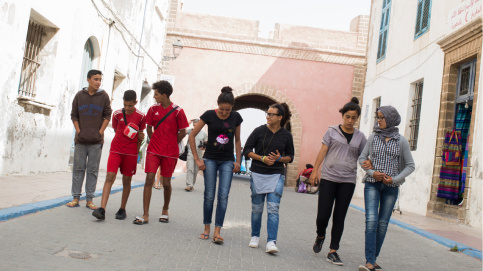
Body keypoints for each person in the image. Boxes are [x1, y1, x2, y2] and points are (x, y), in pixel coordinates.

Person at [308, 97, 367, 265]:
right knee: (322, 216)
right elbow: (323, 151)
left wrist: (369, 166)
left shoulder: (361, 137)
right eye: (347, 116)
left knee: (339, 217)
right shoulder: (332, 131)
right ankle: (320, 235)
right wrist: (314, 171)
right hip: (329, 178)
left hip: (348, 181)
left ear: (357, 118)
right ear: (342, 115)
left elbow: (363, 158)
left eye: (353, 118)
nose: (350, 120)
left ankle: (333, 250)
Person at [358, 106, 415, 271]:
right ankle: (369, 262)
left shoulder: (401, 141)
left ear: (390, 119)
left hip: (391, 188)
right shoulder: (373, 137)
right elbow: (362, 157)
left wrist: (395, 179)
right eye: (378, 117)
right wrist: (371, 172)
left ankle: (373, 259)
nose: (379, 120)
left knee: (382, 224)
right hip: (372, 184)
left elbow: (410, 166)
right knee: (371, 221)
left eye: (382, 117)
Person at [189, 86, 243, 244]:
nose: (225, 113)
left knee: (223, 196)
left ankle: (217, 231)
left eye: (228, 110)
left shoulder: (236, 117)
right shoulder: (208, 115)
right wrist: (197, 159)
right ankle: (206, 228)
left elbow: (238, 140)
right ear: (217, 105)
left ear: (232, 107)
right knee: (209, 195)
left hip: (227, 160)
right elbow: (192, 136)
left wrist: (238, 161)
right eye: (222, 109)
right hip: (210, 160)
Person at [133, 80, 189, 225]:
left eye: (156, 94)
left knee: (166, 182)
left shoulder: (178, 111)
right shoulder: (152, 110)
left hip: (170, 153)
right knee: (149, 178)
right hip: (154, 150)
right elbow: (148, 127)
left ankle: (165, 209)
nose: (154, 97)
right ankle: (145, 215)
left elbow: (183, 131)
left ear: (164, 95)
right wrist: (153, 140)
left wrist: (171, 142)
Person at [243, 103, 294, 254]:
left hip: (276, 174)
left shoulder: (286, 135)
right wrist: (262, 158)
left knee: (273, 209)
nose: (268, 117)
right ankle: (255, 236)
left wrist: (279, 158)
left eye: (271, 114)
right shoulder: (259, 131)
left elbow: (290, 157)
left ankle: (271, 241)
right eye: (267, 114)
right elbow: (247, 150)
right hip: (258, 172)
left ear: (280, 117)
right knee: (257, 208)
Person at [92, 90, 146, 220]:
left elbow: (141, 134)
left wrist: (137, 146)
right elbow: (117, 130)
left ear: (135, 102)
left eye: (130, 105)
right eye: (125, 105)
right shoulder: (116, 114)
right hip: (116, 150)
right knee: (109, 176)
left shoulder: (141, 116)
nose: (127, 108)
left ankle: (122, 209)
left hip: (131, 153)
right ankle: (102, 209)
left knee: (126, 181)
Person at [67, 69, 112, 209]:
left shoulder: (104, 96)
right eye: (96, 79)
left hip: (96, 141)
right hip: (81, 140)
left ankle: (90, 199)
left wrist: (100, 131)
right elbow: (74, 115)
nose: (98, 82)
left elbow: (107, 115)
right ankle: (75, 198)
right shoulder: (80, 96)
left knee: (93, 170)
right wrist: (79, 130)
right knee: (78, 169)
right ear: (88, 80)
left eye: (100, 79)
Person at [185, 119, 208, 191]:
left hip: (199, 155)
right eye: (194, 125)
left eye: (196, 125)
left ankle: (192, 185)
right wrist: (187, 123)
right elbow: (182, 132)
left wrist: (204, 147)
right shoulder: (190, 131)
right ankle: (189, 185)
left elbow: (206, 144)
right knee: (190, 168)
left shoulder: (204, 134)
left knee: (195, 170)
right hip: (190, 153)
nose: (195, 127)